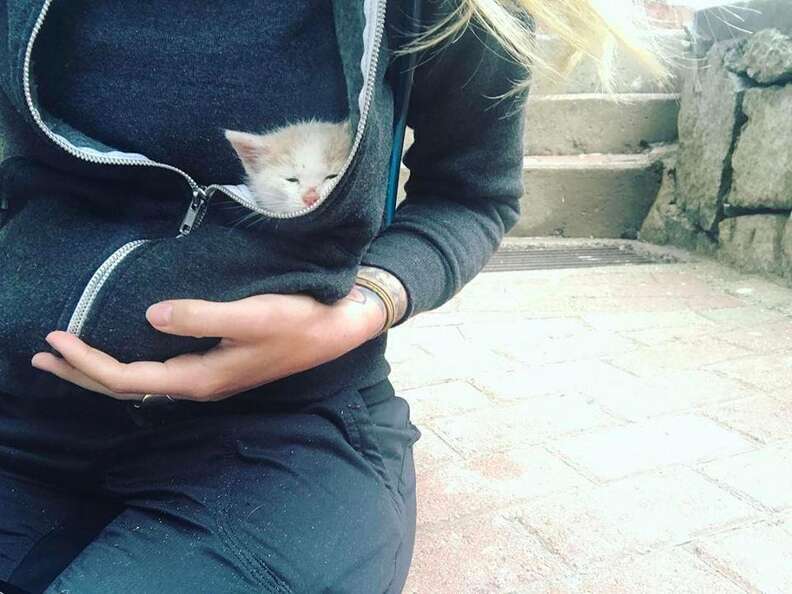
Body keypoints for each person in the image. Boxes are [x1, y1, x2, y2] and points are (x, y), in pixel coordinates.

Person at [0, 1, 667, 592]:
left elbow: (473, 195)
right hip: (23, 396)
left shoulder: (453, 10)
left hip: (284, 423)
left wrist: (360, 306)